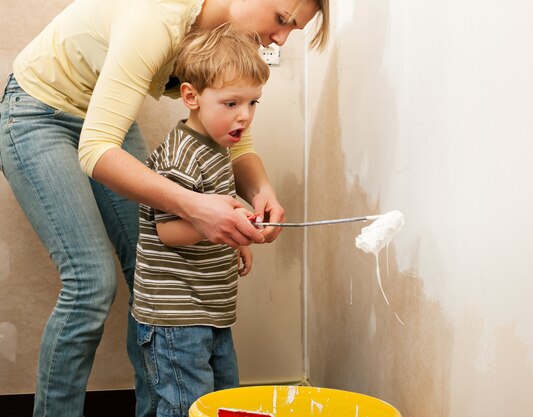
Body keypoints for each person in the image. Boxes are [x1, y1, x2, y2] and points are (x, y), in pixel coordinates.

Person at [0, 0, 328, 416]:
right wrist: (196, 208)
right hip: (37, 112)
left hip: (101, 115)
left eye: (292, 30)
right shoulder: (155, 19)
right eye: (282, 20)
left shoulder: (222, 36)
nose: (280, 39)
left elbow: (237, 143)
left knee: (153, 273)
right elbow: (97, 149)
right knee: (90, 284)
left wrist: (261, 190)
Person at [132, 24, 269, 417]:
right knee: (185, 406)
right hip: (176, 317)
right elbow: (169, 230)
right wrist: (234, 220)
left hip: (208, 308)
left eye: (253, 102)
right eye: (231, 103)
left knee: (221, 401)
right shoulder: (182, 156)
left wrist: (237, 237)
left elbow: (215, 213)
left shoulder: (215, 147)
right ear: (190, 96)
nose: (245, 115)